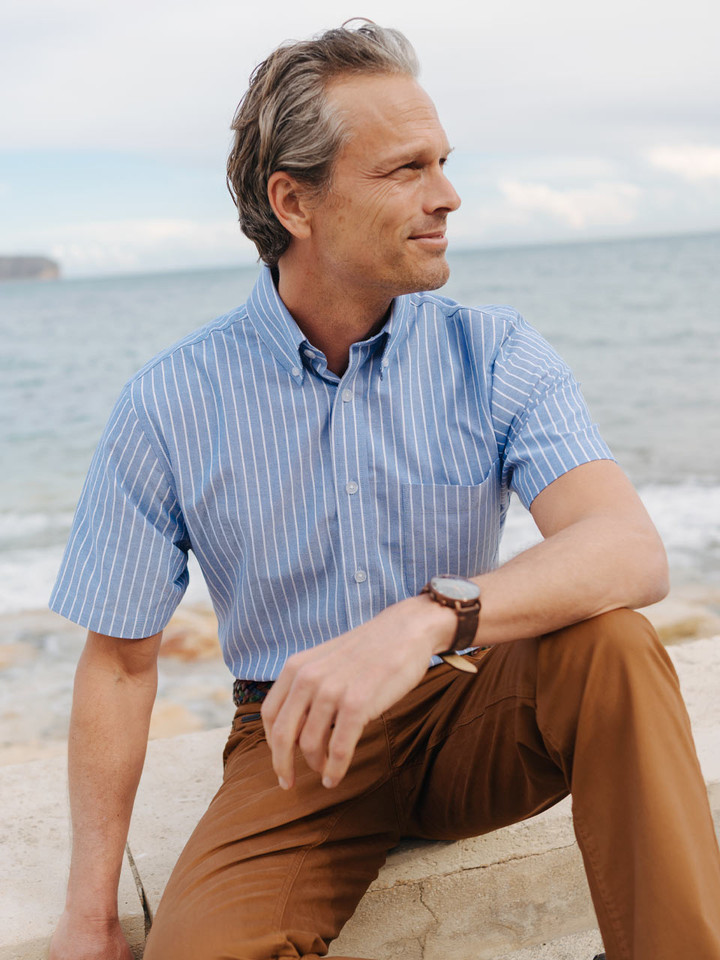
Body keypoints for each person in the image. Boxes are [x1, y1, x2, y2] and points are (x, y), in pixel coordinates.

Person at [48, 21, 720, 960]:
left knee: (612, 641)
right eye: (405, 169)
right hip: (296, 745)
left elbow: (627, 549)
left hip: (471, 707)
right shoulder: (169, 403)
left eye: (442, 162)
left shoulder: (493, 351)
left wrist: (424, 621)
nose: (447, 196)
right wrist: (88, 915)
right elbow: (120, 664)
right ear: (295, 201)